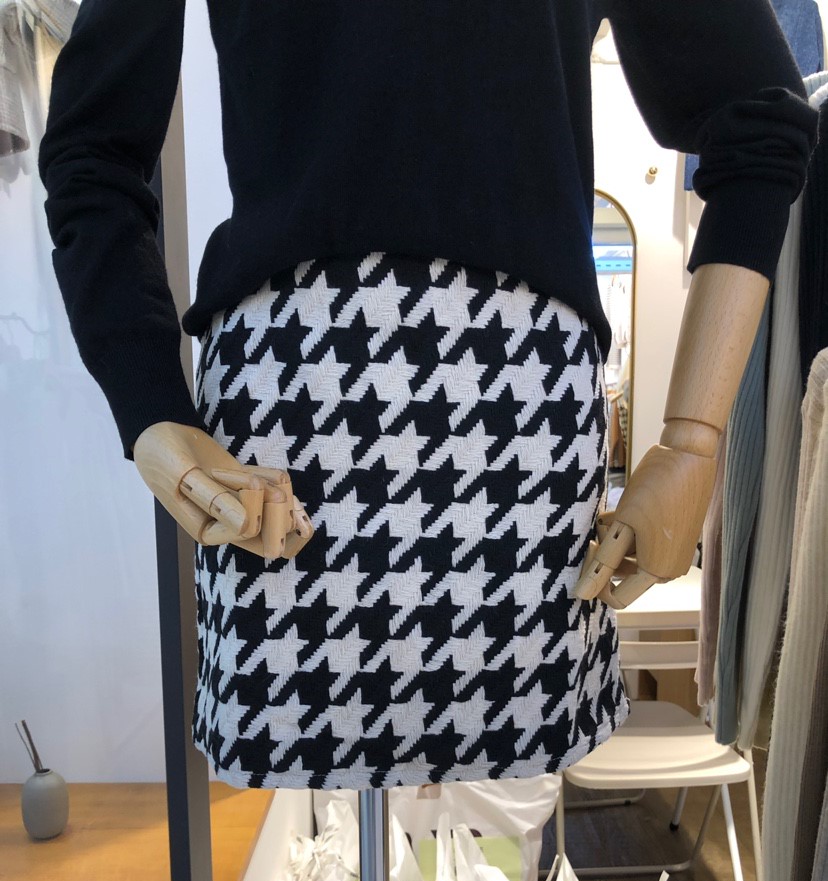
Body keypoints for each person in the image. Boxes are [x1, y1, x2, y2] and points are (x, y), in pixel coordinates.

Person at [37, 0, 819, 790]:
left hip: (513, 437)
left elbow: (758, 117)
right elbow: (92, 150)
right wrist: (148, 407)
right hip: (289, 437)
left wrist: (691, 440)